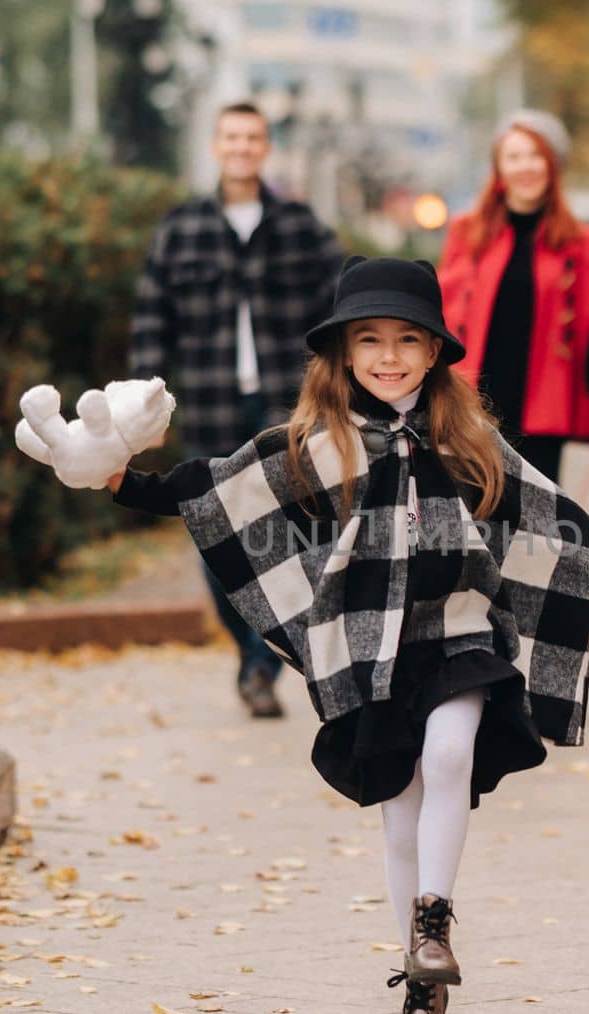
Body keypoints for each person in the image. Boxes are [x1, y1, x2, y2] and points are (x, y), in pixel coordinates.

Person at [102, 257, 589, 1014]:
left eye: (408, 339)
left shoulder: (466, 436)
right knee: (399, 805)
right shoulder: (326, 442)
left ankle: (433, 920)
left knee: (450, 752)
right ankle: (421, 992)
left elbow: (541, 506)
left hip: (460, 629)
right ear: (344, 354)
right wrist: (124, 484)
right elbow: (221, 486)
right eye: (371, 340)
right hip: (372, 649)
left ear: (435, 352)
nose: (390, 355)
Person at [129, 100, 346, 719]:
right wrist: (143, 406)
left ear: (266, 147)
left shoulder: (301, 226)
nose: (243, 147)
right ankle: (248, 648)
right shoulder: (182, 228)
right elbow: (152, 319)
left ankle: (258, 663)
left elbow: (339, 309)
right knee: (212, 532)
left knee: (282, 531)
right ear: (216, 146)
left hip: (285, 404)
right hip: (210, 399)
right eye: (232, 137)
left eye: (253, 137)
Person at [437, 108, 589, 483]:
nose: (525, 166)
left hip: (544, 406)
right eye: (514, 156)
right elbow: (442, 313)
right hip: (472, 403)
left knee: (533, 520)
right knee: (469, 514)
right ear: (499, 167)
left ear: (553, 165)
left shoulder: (580, 243)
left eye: (536, 155)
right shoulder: (467, 233)